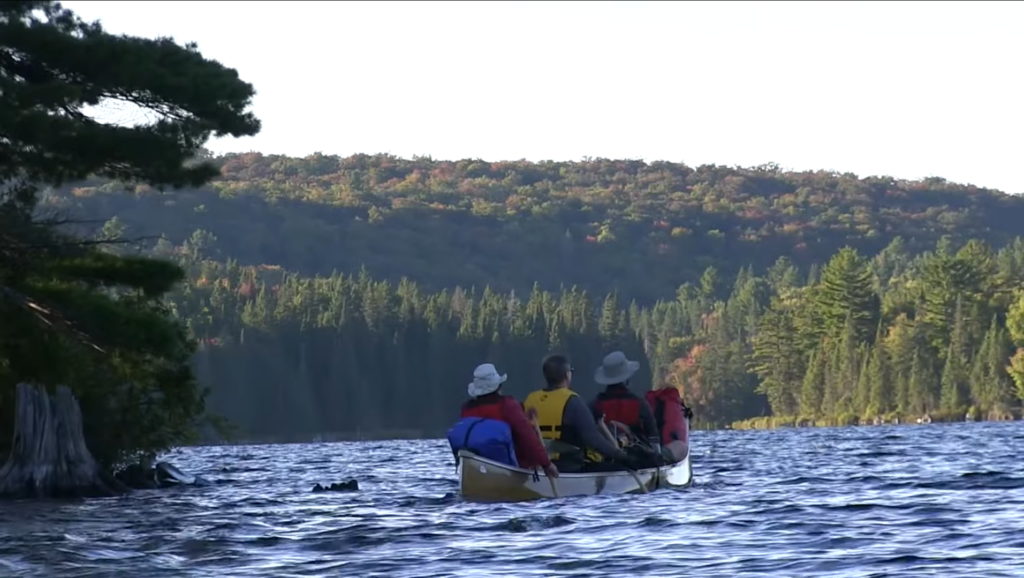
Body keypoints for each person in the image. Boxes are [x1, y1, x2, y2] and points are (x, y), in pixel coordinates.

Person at [523, 354, 631, 473]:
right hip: (568, 467)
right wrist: (622, 456)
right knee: (620, 469)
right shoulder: (573, 401)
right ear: (567, 375)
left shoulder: (531, 398)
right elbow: (593, 439)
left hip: (537, 466)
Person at [447, 363, 558, 478]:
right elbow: (527, 436)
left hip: (477, 469)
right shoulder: (507, 405)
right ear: (498, 386)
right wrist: (546, 464)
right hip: (511, 470)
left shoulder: (467, 409)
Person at [591, 351, 660, 450]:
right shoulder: (640, 404)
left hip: (604, 456)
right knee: (679, 447)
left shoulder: (594, 405)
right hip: (637, 455)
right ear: (627, 378)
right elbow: (653, 436)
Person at [645, 385, 692, 464]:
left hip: (641, 449)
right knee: (681, 447)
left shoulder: (645, 403)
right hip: (659, 453)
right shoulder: (679, 408)